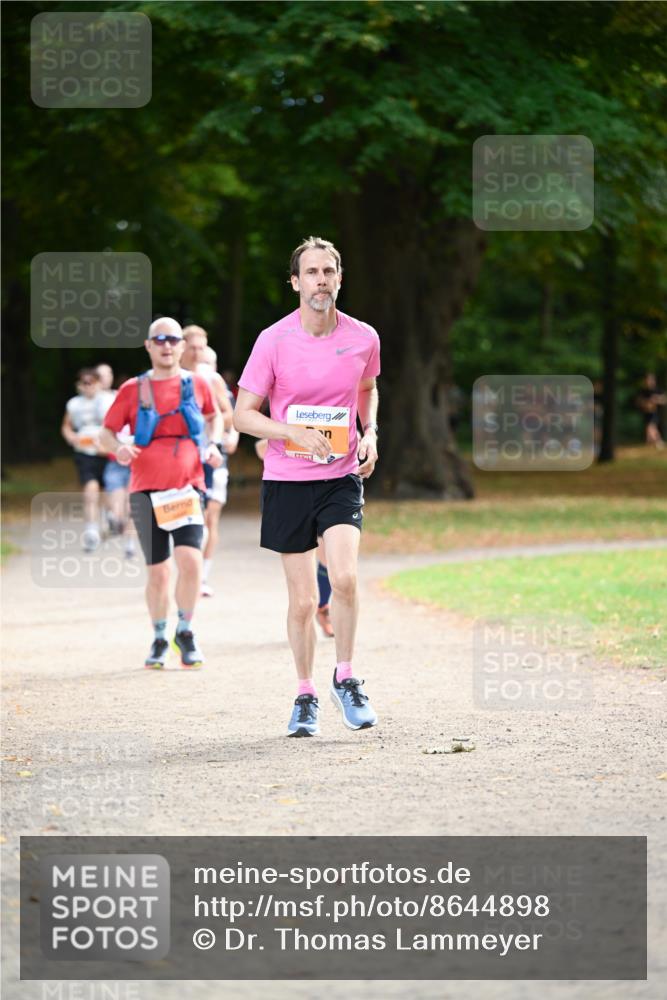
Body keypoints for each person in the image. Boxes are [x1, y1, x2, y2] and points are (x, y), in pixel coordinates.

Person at [234, 236, 380, 738]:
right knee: (300, 602)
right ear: (296, 282)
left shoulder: (363, 337)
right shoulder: (273, 340)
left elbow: (367, 387)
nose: (321, 281)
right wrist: (290, 431)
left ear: (340, 278)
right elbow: (242, 415)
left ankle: (346, 677)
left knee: (344, 578)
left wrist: (371, 434)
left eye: (329, 271)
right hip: (287, 481)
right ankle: (304, 694)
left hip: (340, 476)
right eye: (311, 273)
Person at [99, 318, 223, 669]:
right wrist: (119, 448)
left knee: (191, 561)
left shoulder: (197, 383)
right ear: (149, 345)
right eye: (160, 340)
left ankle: (184, 630)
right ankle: (158, 635)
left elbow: (214, 418)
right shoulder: (132, 390)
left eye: (173, 339)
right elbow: (106, 433)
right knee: (159, 572)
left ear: (182, 346)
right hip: (145, 491)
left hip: (187, 488)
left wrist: (210, 443)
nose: (167, 345)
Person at [255, 437, 334, 637]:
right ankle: (306, 611)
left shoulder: (334, 406)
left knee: (328, 556)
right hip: (291, 487)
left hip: (329, 486)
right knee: (301, 577)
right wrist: (293, 440)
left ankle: (322, 605)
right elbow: (260, 447)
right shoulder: (280, 408)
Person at [182, 327, 236, 597]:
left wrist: (207, 419)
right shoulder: (164, 377)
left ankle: (200, 576)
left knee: (206, 517)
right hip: (176, 459)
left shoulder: (211, 379)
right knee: (180, 517)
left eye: (201, 348)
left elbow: (228, 415)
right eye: (192, 347)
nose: (197, 352)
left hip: (208, 457)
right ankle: (183, 570)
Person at [61, 368, 112, 552]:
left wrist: (108, 445)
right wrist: (71, 437)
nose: (88, 386)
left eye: (91, 382)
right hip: (84, 452)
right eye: (84, 383)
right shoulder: (74, 404)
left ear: (98, 383)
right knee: (91, 490)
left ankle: (108, 518)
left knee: (108, 492)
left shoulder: (108, 400)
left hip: (105, 453)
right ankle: (92, 532)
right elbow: (66, 427)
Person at [636, 373, 666, 449]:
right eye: (647, 380)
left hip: (655, 413)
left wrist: (656, 399)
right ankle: (658, 442)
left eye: (650, 380)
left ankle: (657, 442)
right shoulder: (643, 391)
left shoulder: (658, 390)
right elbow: (638, 401)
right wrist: (645, 403)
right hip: (646, 413)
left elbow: (664, 400)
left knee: (650, 428)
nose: (648, 382)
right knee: (651, 429)